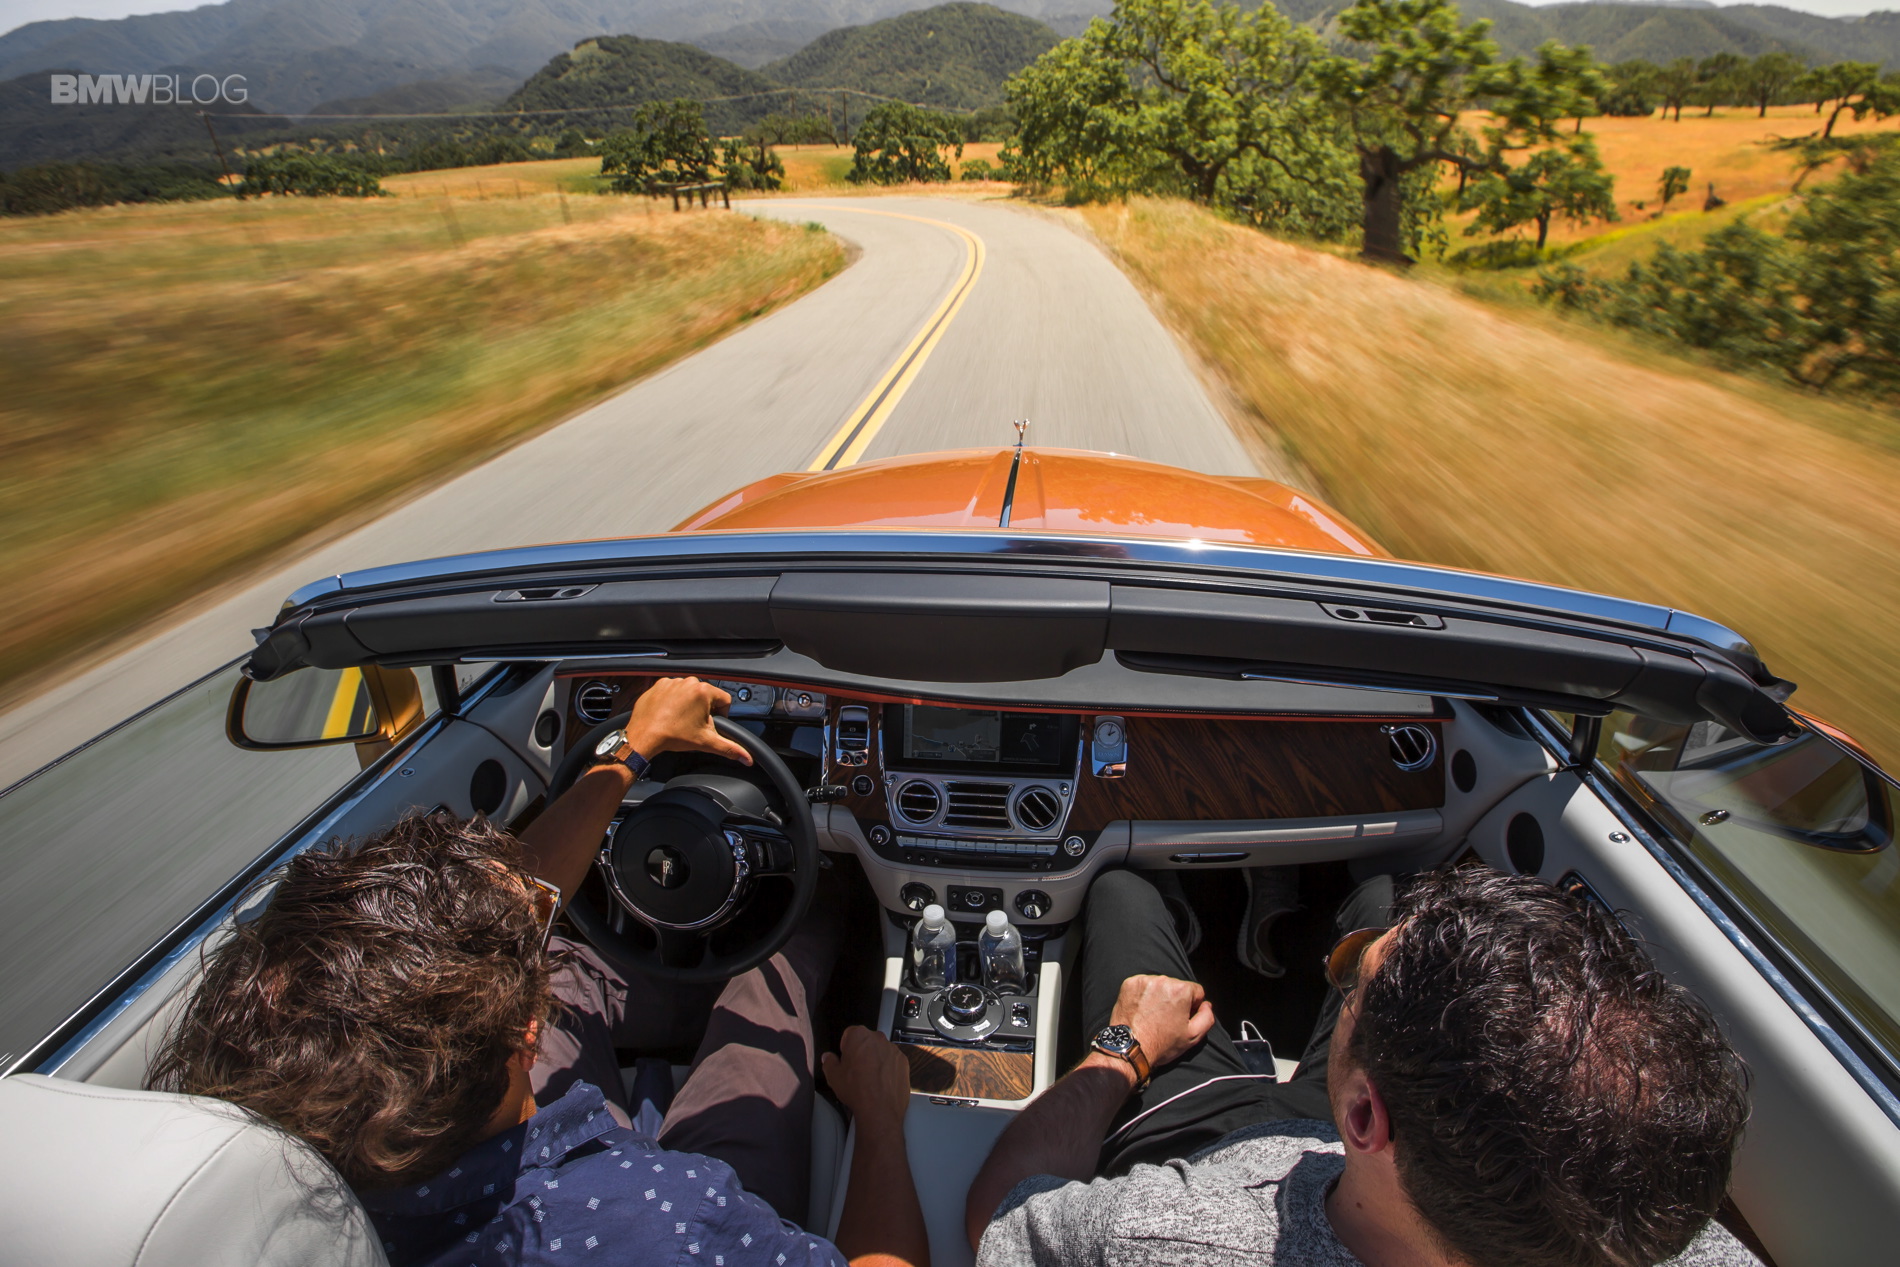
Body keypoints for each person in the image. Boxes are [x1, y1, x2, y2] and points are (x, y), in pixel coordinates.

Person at [152, 676, 929, 1267]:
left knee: (571, 965)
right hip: (643, 1193)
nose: (525, 921)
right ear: (527, 1030)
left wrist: (632, 747)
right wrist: (879, 1118)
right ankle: (787, 940)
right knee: (775, 966)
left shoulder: (286, 1177)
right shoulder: (676, 1221)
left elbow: (521, 912)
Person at [965, 867, 1760, 1267]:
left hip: (1208, 1150)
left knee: (1123, 893)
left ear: (1366, 1115)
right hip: (1370, 1168)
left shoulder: (1164, 1235)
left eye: (1353, 981)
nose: (1346, 975)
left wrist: (1126, 1044)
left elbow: (999, 1215)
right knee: (1378, 891)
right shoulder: (1690, 1244)